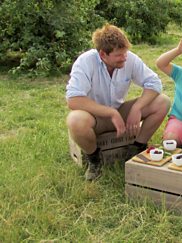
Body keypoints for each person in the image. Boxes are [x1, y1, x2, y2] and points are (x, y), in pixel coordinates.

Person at [66, 24, 170, 181]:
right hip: (94, 117)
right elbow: (73, 100)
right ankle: (94, 160)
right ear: (103, 54)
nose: (124, 58)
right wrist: (110, 113)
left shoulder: (130, 59)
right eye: (119, 55)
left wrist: (137, 108)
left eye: (125, 53)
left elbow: (154, 84)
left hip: (120, 111)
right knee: (75, 120)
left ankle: (136, 148)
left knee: (162, 101)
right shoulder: (85, 62)